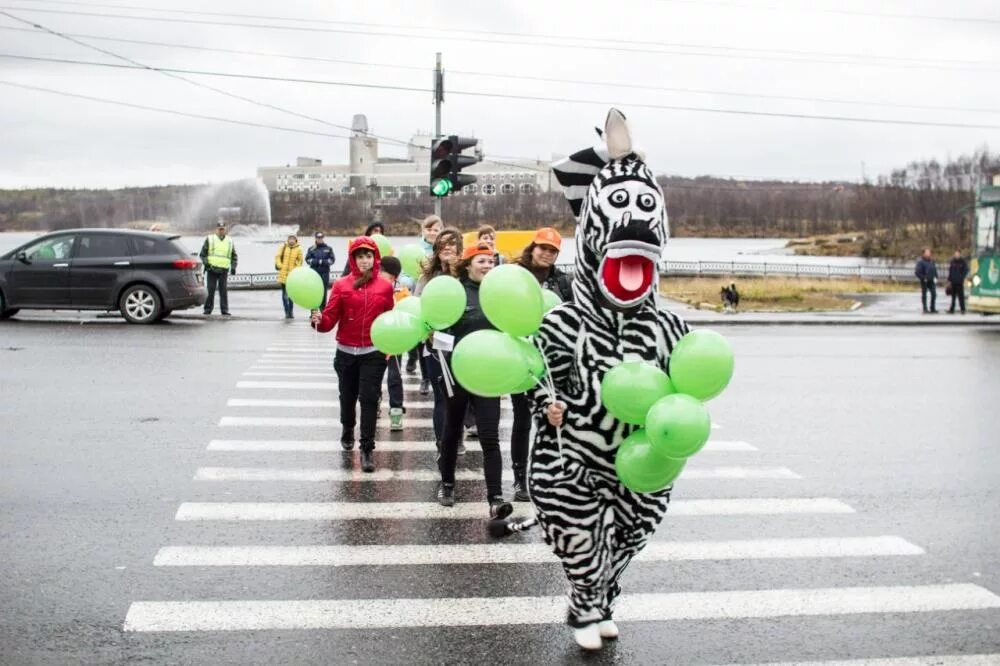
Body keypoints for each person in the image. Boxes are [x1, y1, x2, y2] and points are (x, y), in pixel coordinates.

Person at [435, 242, 513, 521]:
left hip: (487, 375)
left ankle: (495, 498)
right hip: (458, 373)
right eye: (481, 261)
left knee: (490, 436)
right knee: (452, 431)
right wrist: (438, 340)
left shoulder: (499, 295)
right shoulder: (456, 293)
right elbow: (441, 328)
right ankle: (447, 485)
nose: (487, 266)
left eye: (491, 261)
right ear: (468, 265)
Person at [310, 237, 395, 473]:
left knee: (369, 399)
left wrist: (389, 347)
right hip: (346, 352)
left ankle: (367, 448)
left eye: (369, 256)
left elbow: (390, 320)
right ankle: (347, 427)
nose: (365, 260)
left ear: (375, 258)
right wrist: (317, 320)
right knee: (347, 397)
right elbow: (329, 321)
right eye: (360, 256)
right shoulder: (341, 285)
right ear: (353, 259)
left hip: (373, 353)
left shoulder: (385, 287)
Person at [507, 227, 574, 502]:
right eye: (543, 248)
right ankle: (520, 478)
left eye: (552, 250)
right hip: (520, 356)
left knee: (553, 418)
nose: (546, 254)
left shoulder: (562, 281)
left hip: (552, 359)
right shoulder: (514, 275)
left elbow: (571, 315)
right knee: (522, 419)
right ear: (532, 247)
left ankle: (556, 475)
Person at [414, 227, 463, 450]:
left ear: (459, 248)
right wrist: (428, 330)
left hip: (464, 345)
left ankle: (457, 437)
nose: (447, 247)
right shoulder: (427, 277)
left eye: (452, 243)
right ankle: (442, 443)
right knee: (441, 397)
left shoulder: (465, 274)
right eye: (442, 243)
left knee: (460, 397)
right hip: (435, 344)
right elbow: (416, 307)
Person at [379, 255, 414, 431]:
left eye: (385, 275)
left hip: (394, 340)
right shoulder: (371, 287)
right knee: (373, 377)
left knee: (394, 375)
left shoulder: (402, 293)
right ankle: (375, 402)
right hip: (373, 339)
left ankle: (396, 410)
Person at [406, 215, 444, 375]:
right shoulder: (416, 250)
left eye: (436, 229)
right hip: (419, 295)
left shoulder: (445, 250)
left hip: (439, 298)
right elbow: (404, 272)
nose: (432, 233)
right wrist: (408, 282)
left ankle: (437, 370)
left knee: (436, 336)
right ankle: (424, 375)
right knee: (422, 334)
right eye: (429, 229)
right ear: (423, 230)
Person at [199, 222, 237, 316]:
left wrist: (233, 267)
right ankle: (208, 309)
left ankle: (224, 310)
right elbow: (203, 254)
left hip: (223, 270)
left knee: (223, 291)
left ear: (225, 229)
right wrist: (207, 264)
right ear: (216, 229)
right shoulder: (210, 239)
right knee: (210, 290)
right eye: (219, 229)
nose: (221, 230)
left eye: (223, 229)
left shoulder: (229, 241)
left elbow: (234, 256)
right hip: (212, 269)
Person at [274, 234, 303, 319]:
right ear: (288, 239)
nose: (291, 240)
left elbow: (300, 261)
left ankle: (291, 311)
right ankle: (286, 311)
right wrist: (280, 265)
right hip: (283, 274)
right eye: (290, 239)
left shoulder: (298, 249)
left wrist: (296, 269)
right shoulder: (283, 247)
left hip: (292, 275)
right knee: (284, 294)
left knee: (291, 295)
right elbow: (277, 257)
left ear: (295, 240)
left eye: (293, 239)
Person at [305, 232, 335, 310]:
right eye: (318, 238)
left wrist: (323, 262)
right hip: (314, 273)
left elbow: (332, 260)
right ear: (315, 238)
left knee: (323, 292)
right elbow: (308, 259)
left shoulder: (328, 249)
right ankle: (313, 311)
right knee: (313, 292)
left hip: (325, 273)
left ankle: (323, 310)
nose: (319, 239)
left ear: (323, 238)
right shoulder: (311, 249)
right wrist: (318, 262)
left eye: (321, 238)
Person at [915, 248, 939, 314]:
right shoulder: (921, 262)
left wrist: (936, 277)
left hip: (932, 280)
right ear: (924, 254)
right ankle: (925, 308)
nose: (928, 254)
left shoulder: (932, 261)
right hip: (925, 281)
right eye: (927, 252)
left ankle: (932, 308)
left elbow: (934, 270)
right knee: (924, 295)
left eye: (929, 252)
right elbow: (917, 272)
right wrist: (923, 278)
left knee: (934, 294)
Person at [947, 249, 969, 314]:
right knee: (953, 296)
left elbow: (966, 270)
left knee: (961, 296)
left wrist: (962, 277)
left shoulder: (963, 261)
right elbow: (950, 271)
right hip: (953, 281)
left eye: (957, 254)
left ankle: (963, 309)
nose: (956, 255)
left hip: (959, 282)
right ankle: (952, 309)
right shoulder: (952, 261)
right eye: (955, 254)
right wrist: (949, 280)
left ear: (960, 254)